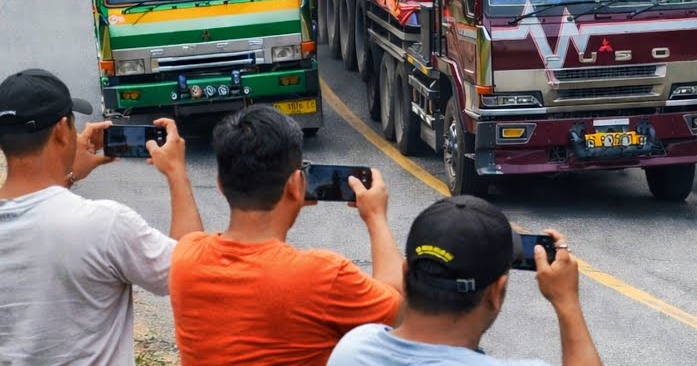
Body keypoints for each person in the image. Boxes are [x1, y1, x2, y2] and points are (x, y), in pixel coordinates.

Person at [169, 104, 404, 365]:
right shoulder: (323, 275)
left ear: (221, 185)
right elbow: (398, 310)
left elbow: (186, 238)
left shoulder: (185, 260)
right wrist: (376, 217)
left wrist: (175, 172)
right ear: (295, 183)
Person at [0, 68, 202, 366]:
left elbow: (36, 214)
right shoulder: (105, 225)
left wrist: (67, 176)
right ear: (61, 131)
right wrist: (176, 172)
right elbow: (192, 274)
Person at [327, 196, 602, 366]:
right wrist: (567, 301)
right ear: (495, 293)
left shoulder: (354, 350)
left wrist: (376, 218)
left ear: (406, 273)